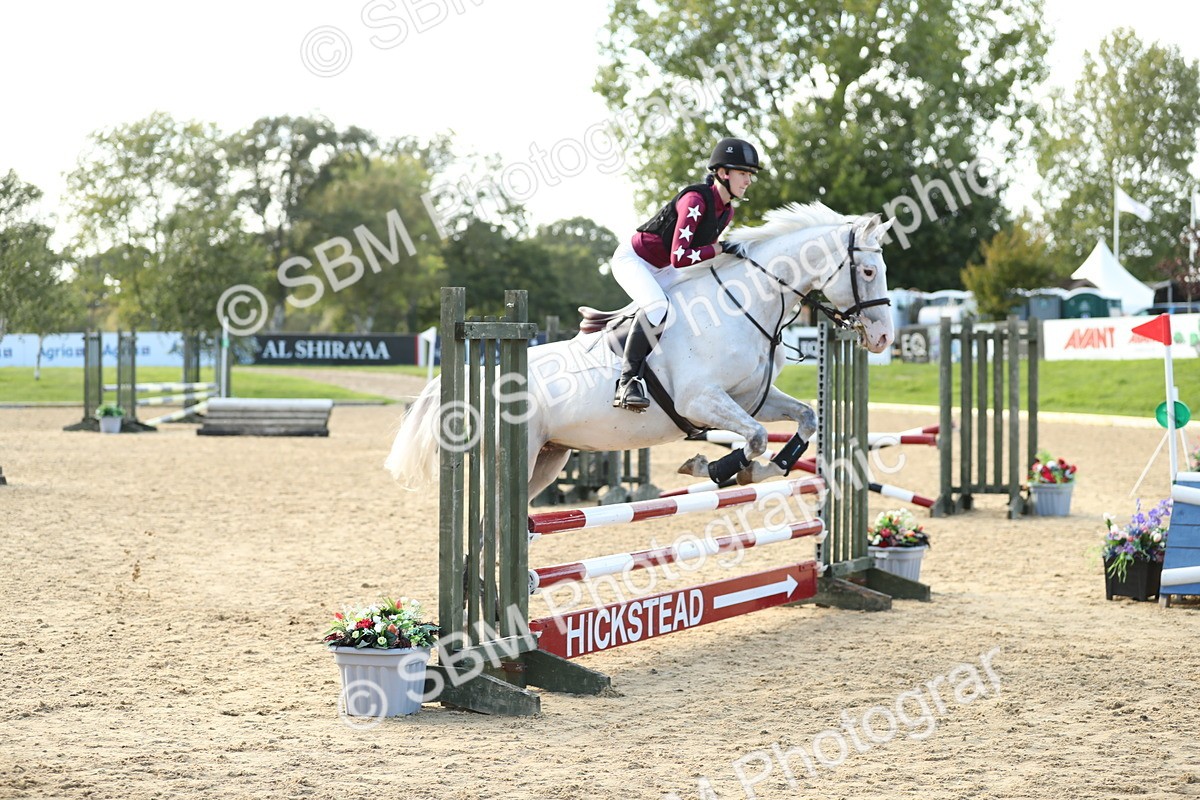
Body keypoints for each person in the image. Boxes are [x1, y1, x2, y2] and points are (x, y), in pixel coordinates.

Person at [611, 137, 762, 411]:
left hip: (665, 267)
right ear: (723, 173)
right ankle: (627, 382)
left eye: (750, 175)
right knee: (658, 307)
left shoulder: (726, 212)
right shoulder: (695, 200)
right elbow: (680, 257)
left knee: (694, 302)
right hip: (634, 260)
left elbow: (696, 257)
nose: (748, 180)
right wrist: (719, 249)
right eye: (743, 173)